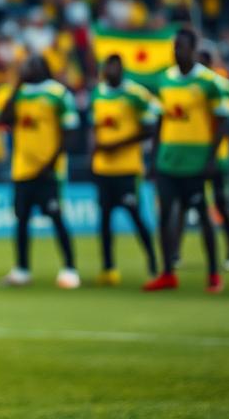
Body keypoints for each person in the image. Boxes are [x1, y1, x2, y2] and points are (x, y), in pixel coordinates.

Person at [143, 28, 227, 294]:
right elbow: (159, 121)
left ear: (193, 50)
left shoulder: (208, 82)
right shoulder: (165, 80)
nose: (176, 52)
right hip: (169, 161)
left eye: (181, 47)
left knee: (203, 217)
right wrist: (154, 158)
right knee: (165, 216)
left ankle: (213, 273)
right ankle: (167, 272)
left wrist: (211, 157)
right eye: (174, 47)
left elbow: (223, 121)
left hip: (195, 162)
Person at [0, 55, 80, 289]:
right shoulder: (21, 93)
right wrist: (16, 88)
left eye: (30, 65)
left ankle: (69, 268)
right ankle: (22, 269)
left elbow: (70, 131)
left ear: (43, 68)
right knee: (21, 219)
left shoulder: (58, 93)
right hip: (23, 168)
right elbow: (4, 119)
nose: (25, 69)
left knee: (55, 217)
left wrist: (52, 162)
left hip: (49, 170)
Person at [88, 54, 160, 286]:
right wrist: (95, 150)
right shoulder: (98, 94)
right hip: (103, 168)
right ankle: (108, 268)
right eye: (108, 66)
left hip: (127, 168)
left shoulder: (135, 94)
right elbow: (94, 127)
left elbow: (150, 127)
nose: (111, 71)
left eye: (115, 67)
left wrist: (117, 144)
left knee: (135, 215)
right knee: (105, 219)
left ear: (122, 70)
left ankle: (153, 261)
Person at [197, 48, 229, 272]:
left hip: (218, 156)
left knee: (221, 203)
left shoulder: (221, 86)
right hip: (195, 155)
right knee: (191, 204)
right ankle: (175, 253)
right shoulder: (191, 85)